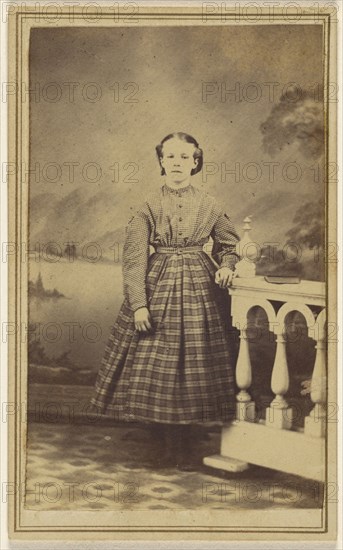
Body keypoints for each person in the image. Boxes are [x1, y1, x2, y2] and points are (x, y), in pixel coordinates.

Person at [90, 132, 240, 471]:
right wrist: (139, 303)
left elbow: (230, 247)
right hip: (157, 287)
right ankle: (160, 442)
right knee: (158, 362)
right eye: (171, 157)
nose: (177, 164)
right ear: (160, 160)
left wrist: (227, 267)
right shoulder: (146, 205)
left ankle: (186, 444)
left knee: (195, 363)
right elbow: (133, 260)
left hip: (201, 290)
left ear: (196, 161)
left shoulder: (211, 205)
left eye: (185, 157)